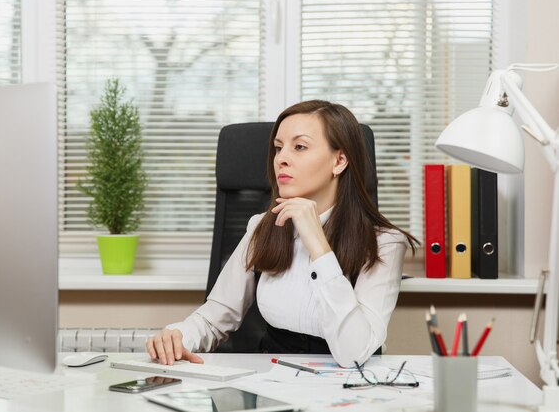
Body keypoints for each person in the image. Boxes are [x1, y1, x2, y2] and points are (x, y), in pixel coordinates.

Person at [147, 100, 418, 368]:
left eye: (299, 147)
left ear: (339, 160)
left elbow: (354, 354)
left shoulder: (384, 243)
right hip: (270, 380)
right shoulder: (261, 227)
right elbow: (216, 316)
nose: (281, 159)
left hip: (343, 392)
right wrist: (179, 335)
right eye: (278, 148)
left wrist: (318, 247)